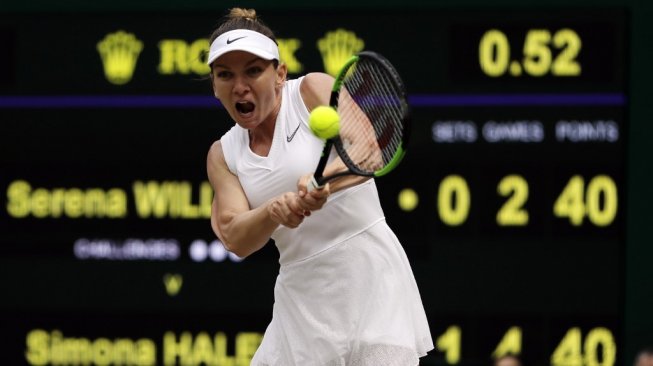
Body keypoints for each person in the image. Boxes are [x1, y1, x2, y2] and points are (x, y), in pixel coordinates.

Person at [205, 8, 433, 365]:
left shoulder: (311, 89)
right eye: (225, 75)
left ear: (279, 74)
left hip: (369, 278)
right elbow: (236, 236)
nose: (240, 86)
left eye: (253, 71)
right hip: (301, 301)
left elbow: (368, 150)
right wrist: (271, 210)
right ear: (214, 86)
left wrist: (325, 181)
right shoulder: (224, 153)